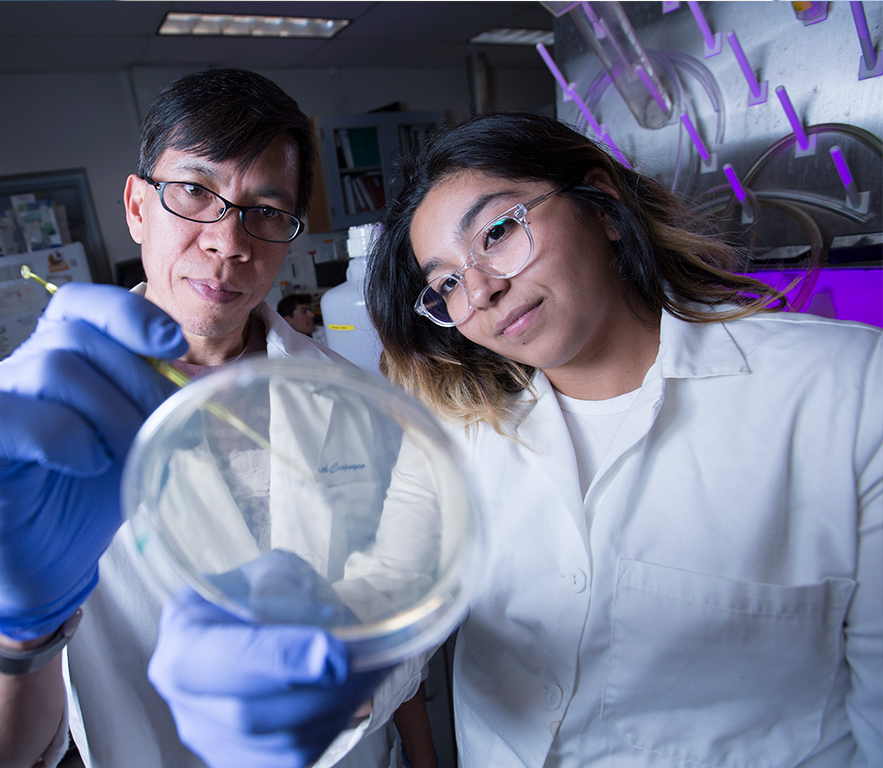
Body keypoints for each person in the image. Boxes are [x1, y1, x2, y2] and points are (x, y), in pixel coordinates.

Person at [0, 68, 435, 768]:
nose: (229, 242)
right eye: (196, 192)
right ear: (137, 206)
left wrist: (347, 692)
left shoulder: (358, 399)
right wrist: (7, 630)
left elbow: (409, 604)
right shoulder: (6, 415)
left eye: (266, 210)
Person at [359, 112, 882, 766]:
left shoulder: (846, 389)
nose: (483, 290)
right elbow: (388, 607)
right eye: (447, 284)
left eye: (497, 232)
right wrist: (321, 678)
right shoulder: (457, 429)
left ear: (602, 205)